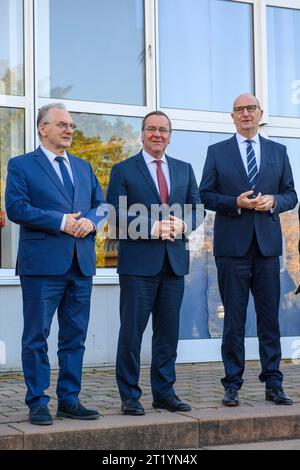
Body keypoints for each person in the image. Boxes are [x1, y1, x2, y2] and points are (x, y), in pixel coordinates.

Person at [5, 103, 108, 425]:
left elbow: (102, 206)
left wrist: (91, 222)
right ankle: (37, 401)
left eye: (72, 126)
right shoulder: (22, 165)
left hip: (81, 264)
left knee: (74, 337)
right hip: (42, 266)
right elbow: (16, 208)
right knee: (37, 336)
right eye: (62, 124)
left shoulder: (83, 166)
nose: (69, 130)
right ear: (42, 128)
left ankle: (69, 400)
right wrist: (61, 221)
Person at [199, 93, 297, 406]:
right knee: (234, 319)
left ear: (260, 113)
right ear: (232, 116)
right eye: (239, 109)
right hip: (232, 249)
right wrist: (234, 202)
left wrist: (275, 202)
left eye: (250, 108)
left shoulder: (278, 151)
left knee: (270, 319)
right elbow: (206, 195)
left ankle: (273, 383)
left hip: (267, 248)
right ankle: (232, 383)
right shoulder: (217, 152)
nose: (245, 114)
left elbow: (291, 195)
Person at [107, 111, 201, 415]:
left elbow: (198, 209)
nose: (157, 134)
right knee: (132, 333)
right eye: (151, 129)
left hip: (174, 263)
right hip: (138, 265)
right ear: (142, 134)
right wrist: (151, 227)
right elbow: (114, 215)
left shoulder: (185, 170)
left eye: (163, 130)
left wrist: (183, 225)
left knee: (167, 333)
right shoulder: (123, 170)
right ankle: (129, 395)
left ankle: (164, 392)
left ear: (170, 135)